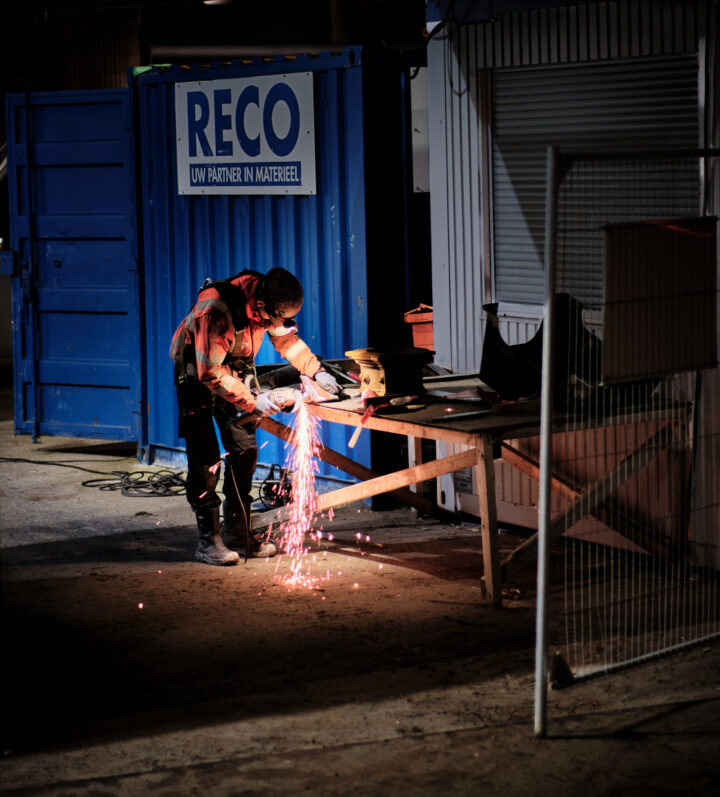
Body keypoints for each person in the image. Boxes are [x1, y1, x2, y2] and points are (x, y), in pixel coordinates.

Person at [170, 267, 340, 566]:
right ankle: (208, 542)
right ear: (261, 307)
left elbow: (287, 340)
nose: (276, 325)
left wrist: (316, 370)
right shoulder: (216, 309)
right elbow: (209, 371)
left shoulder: (270, 301)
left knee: (244, 451)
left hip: (234, 368)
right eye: (273, 320)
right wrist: (255, 402)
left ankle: (238, 534)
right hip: (197, 372)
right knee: (206, 460)